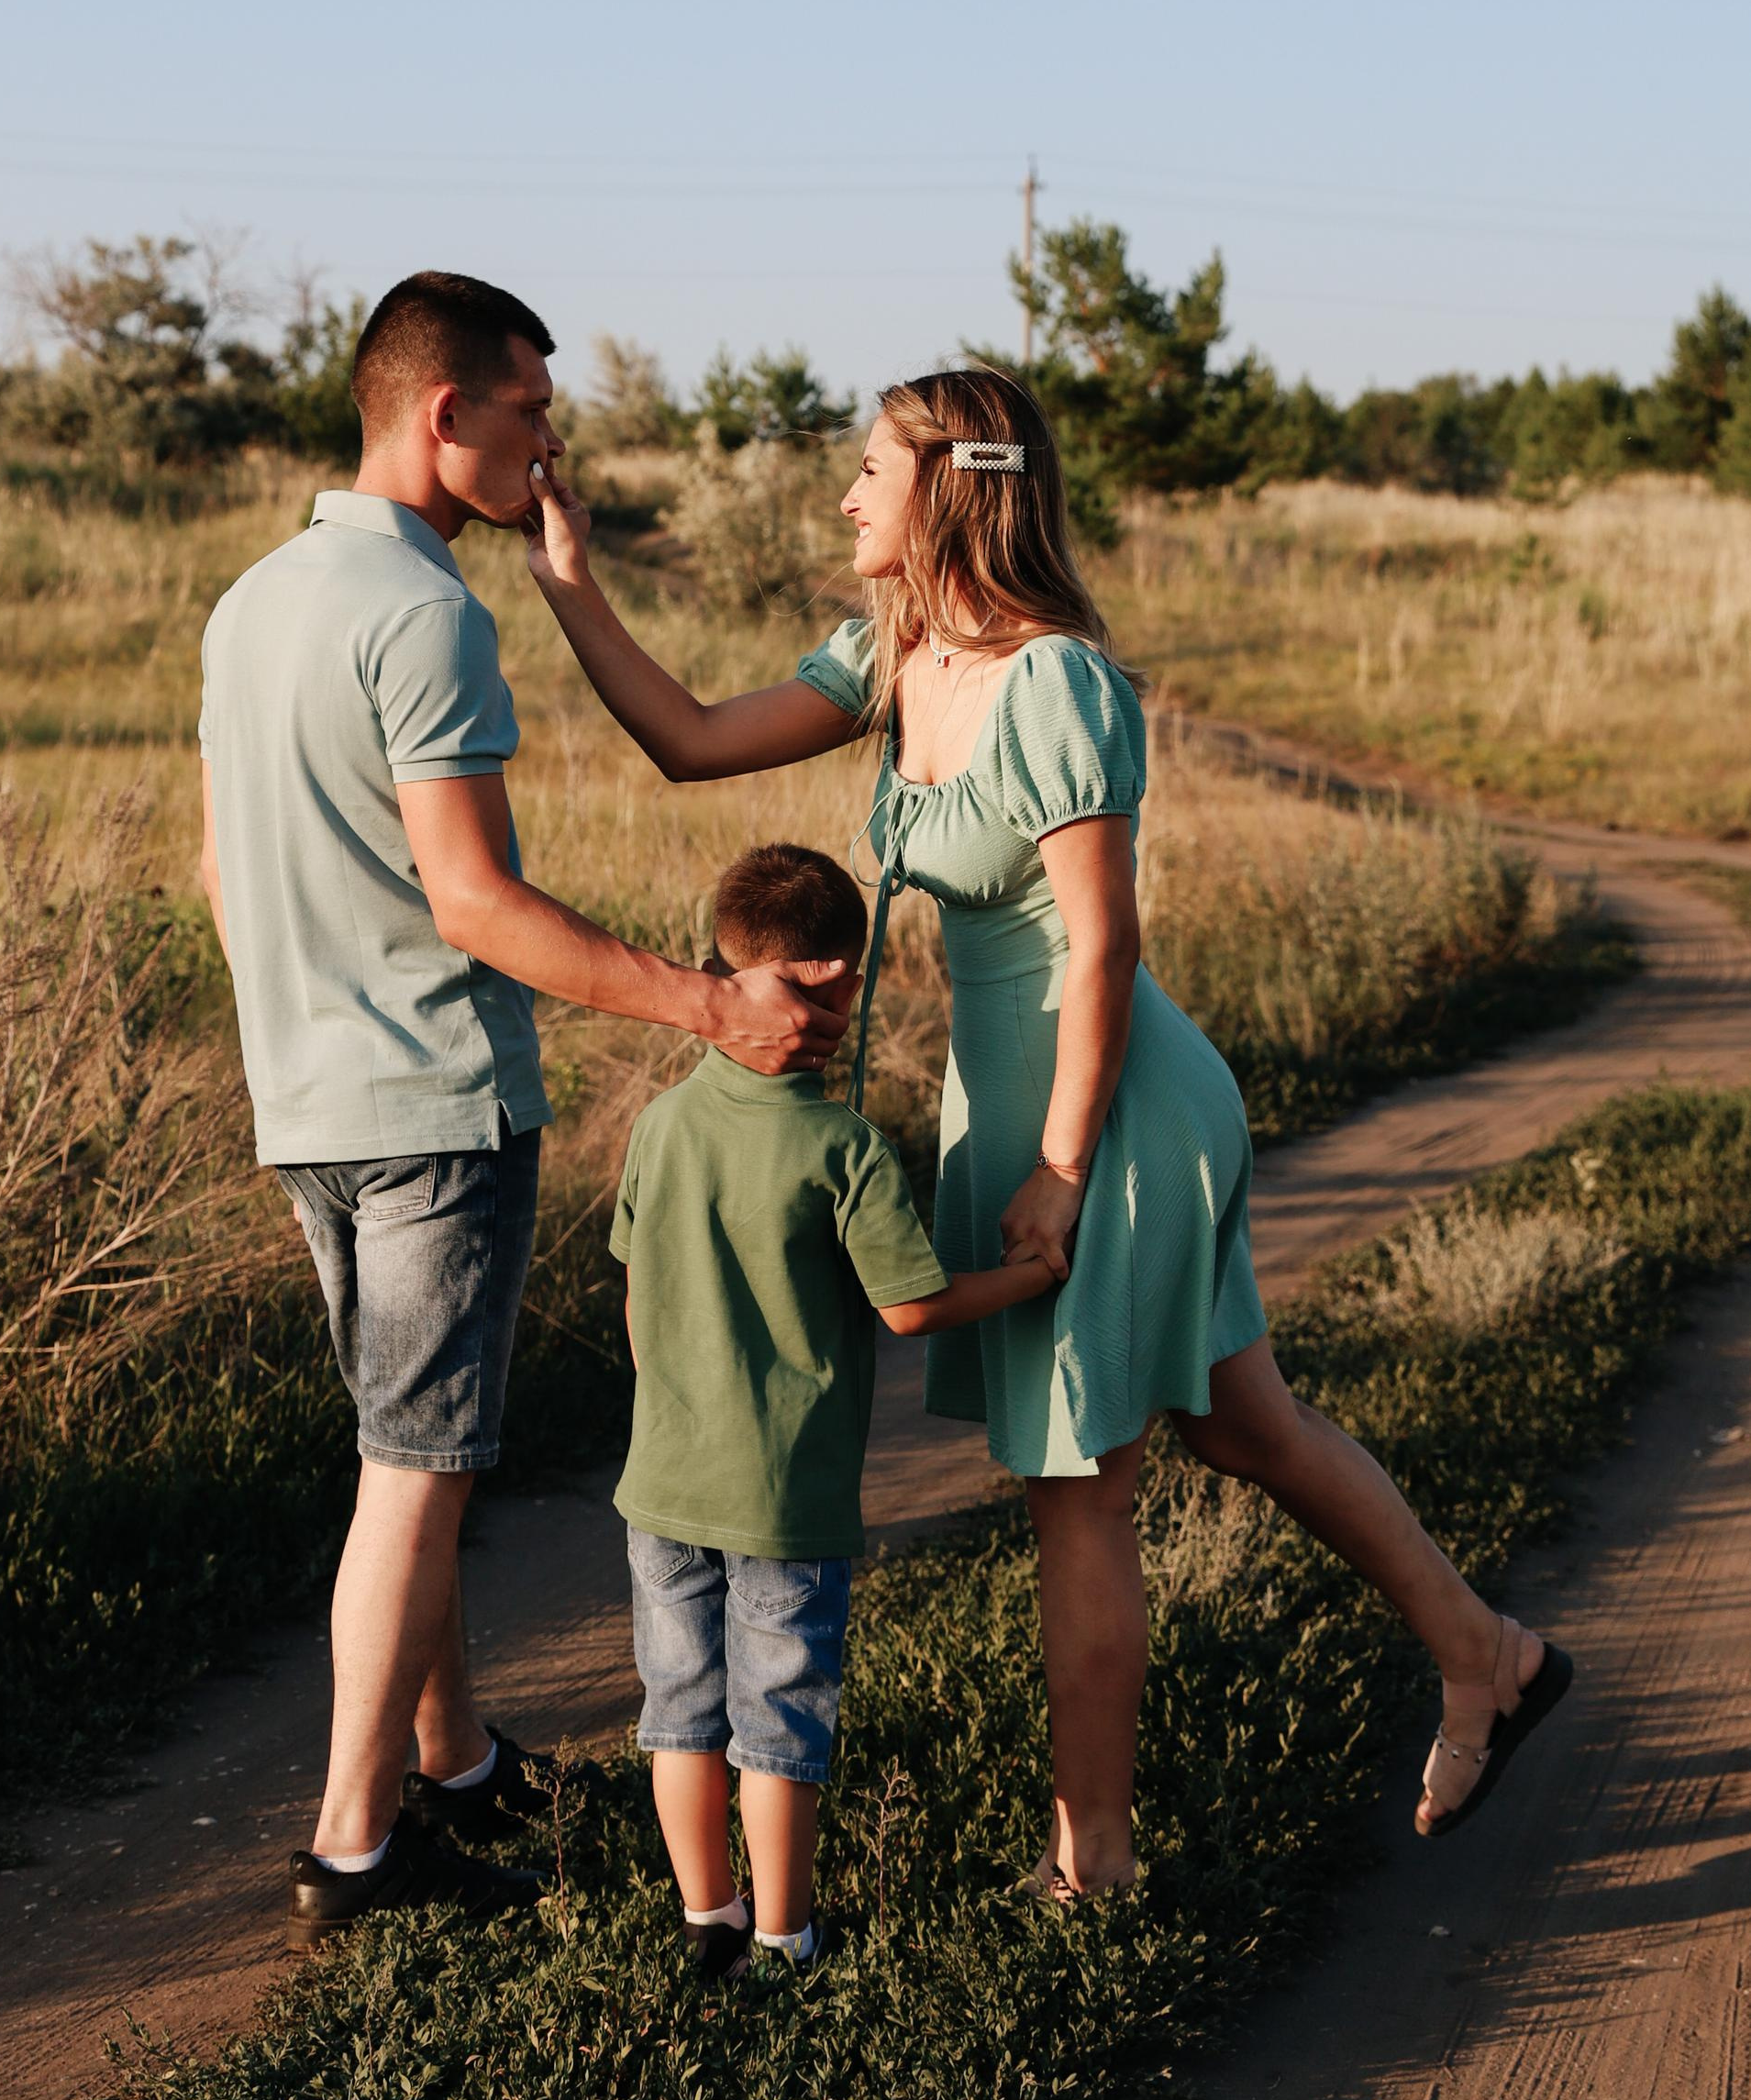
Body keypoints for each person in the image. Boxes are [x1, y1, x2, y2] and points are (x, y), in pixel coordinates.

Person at [528, 361, 1572, 1896]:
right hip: (1023, 1100)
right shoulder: (889, 652)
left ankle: (1095, 1865)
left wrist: (1064, 1170)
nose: (846, 496)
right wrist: (570, 584)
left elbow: (1104, 946)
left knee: (1081, 1488)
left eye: (872, 470)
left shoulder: (1059, 685)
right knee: (1240, 1423)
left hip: (1111, 1107)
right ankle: (1488, 1655)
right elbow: (686, 735)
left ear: (951, 483)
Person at [196, 270, 857, 1946]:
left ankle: (458, 1759)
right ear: (446, 415)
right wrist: (709, 1001)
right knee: (412, 1474)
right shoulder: (426, 616)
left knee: (403, 1455)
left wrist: (299, 1014)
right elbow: (477, 904)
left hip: (309, 1101)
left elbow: (220, 866)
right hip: (429, 1103)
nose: (552, 444)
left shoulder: (253, 602)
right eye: (534, 413)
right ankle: (356, 1845)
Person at [614, 838, 1059, 1981]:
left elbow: (636, 1273)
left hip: (660, 1482)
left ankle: (704, 1920)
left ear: (723, 958)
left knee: (681, 1712)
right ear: (845, 985)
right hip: (788, 1493)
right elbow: (909, 1311)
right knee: (781, 1715)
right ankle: (785, 1936)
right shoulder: (844, 1147)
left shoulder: (660, 1126)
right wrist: (1028, 1274)